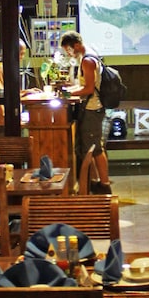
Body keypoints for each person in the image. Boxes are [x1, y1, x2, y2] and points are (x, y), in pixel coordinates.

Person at [60, 31, 112, 195]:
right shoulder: (87, 56)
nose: (69, 53)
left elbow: (89, 88)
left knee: (95, 148)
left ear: (76, 45)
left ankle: (104, 185)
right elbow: (85, 85)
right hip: (90, 107)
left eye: (69, 50)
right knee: (88, 148)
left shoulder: (88, 60)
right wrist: (71, 90)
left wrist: (68, 94)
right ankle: (93, 182)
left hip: (92, 108)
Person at [0, 40, 29, 132]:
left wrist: (27, 92)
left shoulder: (10, 67)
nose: (22, 57)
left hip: (12, 116)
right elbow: (1, 94)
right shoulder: (0, 68)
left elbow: (12, 93)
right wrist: (6, 116)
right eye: (21, 54)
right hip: (4, 119)